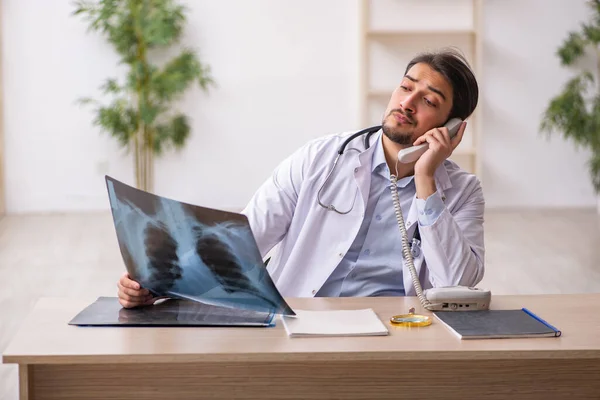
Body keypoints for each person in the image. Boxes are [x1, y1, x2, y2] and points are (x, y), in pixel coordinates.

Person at [117, 47, 485, 308]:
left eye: (429, 100)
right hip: (303, 322)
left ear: (452, 128)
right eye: (406, 87)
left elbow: (456, 285)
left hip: (392, 333)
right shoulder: (320, 158)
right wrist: (159, 285)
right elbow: (243, 238)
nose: (407, 103)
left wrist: (426, 182)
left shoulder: (464, 192)